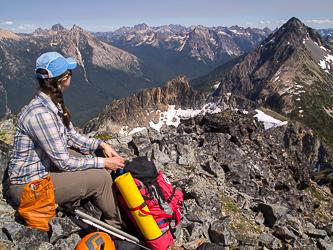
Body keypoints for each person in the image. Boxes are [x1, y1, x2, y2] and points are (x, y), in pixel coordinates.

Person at [8, 51, 125, 228]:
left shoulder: (51, 103)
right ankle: (115, 227)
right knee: (101, 178)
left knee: (89, 154)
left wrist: (101, 144)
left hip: (41, 171)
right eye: (70, 72)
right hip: (29, 188)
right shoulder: (41, 115)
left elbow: (70, 136)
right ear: (63, 79)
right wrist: (103, 164)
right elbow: (64, 162)